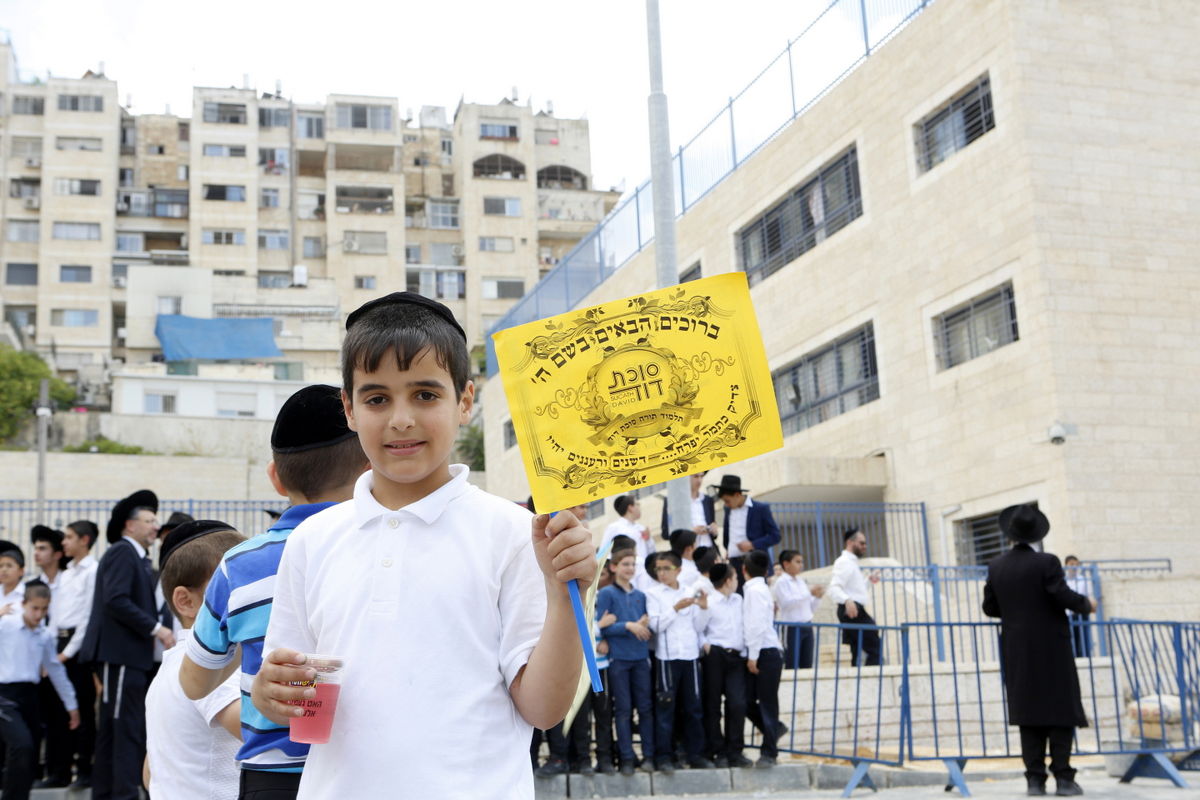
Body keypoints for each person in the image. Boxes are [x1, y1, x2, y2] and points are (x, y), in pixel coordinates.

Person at [249, 292, 595, 799]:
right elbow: (300, 701)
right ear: (348, 408)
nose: (401, 419)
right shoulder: (312, 540)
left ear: (466, 402)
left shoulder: (514, 533)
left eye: (426, 395)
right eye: (376, 398)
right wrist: (269, 692)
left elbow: (544, 710)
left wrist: (567, 592)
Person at [181, 383, 367, 800]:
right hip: (366, 770)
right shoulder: (385, 548)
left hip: (273, 777)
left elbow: (194, 682)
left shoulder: (240, 565)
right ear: (369, 467)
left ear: (275, 477)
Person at [983, 505, 1095, 797]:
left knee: (1028, 712)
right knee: (1060, 710)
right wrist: (1086, 604)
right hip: (1051, 647)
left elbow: (990, 608)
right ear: (1037, 534)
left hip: (1017, 649)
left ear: (1010, 532)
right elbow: (1060, 595)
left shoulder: (996, 565)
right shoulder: (1047, 562)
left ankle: (1034, 780)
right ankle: (1065, 780)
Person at [79, 489, 175, 800]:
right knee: (123, 725)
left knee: (115, 723)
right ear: (128, 525)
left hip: (129, 656)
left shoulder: (137, 556)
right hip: (120, 654)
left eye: (155, 520)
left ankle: (106, 790)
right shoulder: (123, 552)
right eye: (148, 520)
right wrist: (157, 629)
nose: (155, 526)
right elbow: (116, 600)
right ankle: (122, 793)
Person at [146, 520, 246, 800]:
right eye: (232, 587)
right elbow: (262, 733)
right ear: (186, 601)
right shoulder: (216, 665)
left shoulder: (169, 667)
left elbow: (149, 772)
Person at [0, 582, 80, 800]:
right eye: (35, 608)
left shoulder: (44, 636)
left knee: (30, 753)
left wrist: (72, 706)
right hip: (4, 696)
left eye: (44, 609)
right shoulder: (6, 625)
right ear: (23, 604)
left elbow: (56, 671)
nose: (39, 614)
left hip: (30, 697)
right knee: (21, 745)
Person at [538, 504, 600, 778]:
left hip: (583, 644)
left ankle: (582, 757)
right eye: (578, 502)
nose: (584, 506)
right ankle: (559, 756)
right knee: (553, 704)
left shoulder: (583, 541)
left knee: (580, 705)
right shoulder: (539, 544)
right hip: (546, 641)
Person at [646, 552, 711, 772]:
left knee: (694, 707)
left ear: (678, 570)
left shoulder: (688, 591)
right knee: (666, 708)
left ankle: (696, 754)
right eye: (659, 569)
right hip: (667, 656)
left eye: (666, 568)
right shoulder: (653, 594)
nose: (662, 573)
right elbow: (655, 626)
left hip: (690, 655)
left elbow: (699, 626)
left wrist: (702, 607)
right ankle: (664, 756)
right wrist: (675, 609)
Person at [52, 520, 100, 790]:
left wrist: (68, 653)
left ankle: (84, 768)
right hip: (57, 644)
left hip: (77, 648)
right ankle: (59, 768)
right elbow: (57, 612)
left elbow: (87, 616)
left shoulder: (92, 571)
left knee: (82, 710)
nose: (64, 542)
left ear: (84, 540)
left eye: (69, 537)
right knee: (59, 711)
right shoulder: (67, 572)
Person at [597, 549, 655, 776]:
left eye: (632, 564)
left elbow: (645, 626)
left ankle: (649, 756)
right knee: (622, 710)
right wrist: (628, 625)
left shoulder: (641, 595)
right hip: (619, 660)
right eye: (625, 564)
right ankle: (627, 758)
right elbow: (603, 626)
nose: (629, 568)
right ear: (614, 567)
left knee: (646, 708)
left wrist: (642, 623)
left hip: (640, 658)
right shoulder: (607, 594)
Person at [696, 563, 751, 768]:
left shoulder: (738, 600)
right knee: (712, 705)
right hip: (715, 655)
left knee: (737, 703)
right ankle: (716, 750)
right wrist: (705, 645)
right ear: (728, 581)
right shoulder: (709, 601)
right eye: (735, 577)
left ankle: (735, 750)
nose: (737, 581)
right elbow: (698, 627)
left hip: (736, 656)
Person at [29, 526, 70, 789]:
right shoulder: (32, 586)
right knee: (38, 716)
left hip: (64, 654)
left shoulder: (69, 580)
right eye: (35, 548)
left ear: (57, 553)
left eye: (42, 548)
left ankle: (60, 772)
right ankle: (35, 771)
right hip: (37, 659)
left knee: (62, 717)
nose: (36, 553)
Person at [741, 550, 783, 768]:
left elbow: (755, 625)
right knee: (747, 700)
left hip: (764, 652)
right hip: (763, 651)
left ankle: (769, 752)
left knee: (766, 702)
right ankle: (775, 728)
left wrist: (753, 656)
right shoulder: (758, 589)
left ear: (743, 570)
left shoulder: (755, 591)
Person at [712, 475, 780, 590]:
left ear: (737, 495)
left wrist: (752, 544)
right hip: (734, 565)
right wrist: (729, 549)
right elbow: (728, 536)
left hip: (754, 564)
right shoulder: (728, 510)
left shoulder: (760, 509)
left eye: (727, 501)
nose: (726, 504)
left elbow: (775, 536)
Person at [828, 529, 882, 666]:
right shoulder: (845, 562)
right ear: (850, 542)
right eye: (861, 543)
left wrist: (869, 580)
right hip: (852, 611)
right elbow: (834, 588)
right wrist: (847, 600)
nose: (865, 546)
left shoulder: (851, 562)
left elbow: (855, 591)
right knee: (874, 649)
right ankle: (872, 680)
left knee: (855, 651)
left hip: (853, 609)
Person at [773, 550, 824, 669]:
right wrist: (809, 592)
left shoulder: (801, 581)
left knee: (807, 664)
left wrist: (817, 597)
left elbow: (809, 608)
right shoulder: (781, 582)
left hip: (807, 625)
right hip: (792, 627)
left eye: (801, 562)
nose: (801, 565)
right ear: (786, 564)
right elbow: (787, 603)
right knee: (792, 663)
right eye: (797, 562)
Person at [602, 496, 656, 585]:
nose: (639, 508)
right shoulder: (614, 527)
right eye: (637, 504)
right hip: (623, 574)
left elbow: (651, 553)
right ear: (630, 507)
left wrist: (648, 539)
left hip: (643, 572)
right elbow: (604, 553)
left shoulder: (641, 528)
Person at [661, 471, 718, 551]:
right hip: (688, 552)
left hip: (709, 550)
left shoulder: (707, 500)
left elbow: (713, 529)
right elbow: (666, 533)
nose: (699, 480)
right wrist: (691, 531)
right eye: (695, 476)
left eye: (701, 476)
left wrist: (713, 529)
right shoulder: (672, 501)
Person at [1062, 556, 1091, 658]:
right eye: (1071, 564)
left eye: (1076, 564)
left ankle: (1084, 656)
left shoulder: (1083, 580)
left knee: (1083, 639)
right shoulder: (1063, 581)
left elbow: (1087, 596)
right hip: (1068, 614)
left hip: (1081, 613)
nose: (1074, 567)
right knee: (1071, 639)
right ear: (1066, 565)